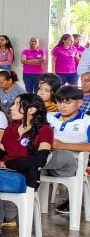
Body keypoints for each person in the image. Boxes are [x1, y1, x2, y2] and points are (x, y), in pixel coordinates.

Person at [0, 94, 52, 194]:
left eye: (17, 104)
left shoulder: (45, 130)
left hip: (22, 178)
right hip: (2, 172)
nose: (11, 108)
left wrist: (8, 164)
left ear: (31, 110)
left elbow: (40, 160)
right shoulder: (12, 127)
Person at [43, 84, 90, 214]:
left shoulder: (87, 121)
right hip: (47, 162)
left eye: (67, 103)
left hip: (71, 165)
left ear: (80, 102)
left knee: (54, 155)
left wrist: (63, 145)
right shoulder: (49, 117)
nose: (62, 106)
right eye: (59, 102)